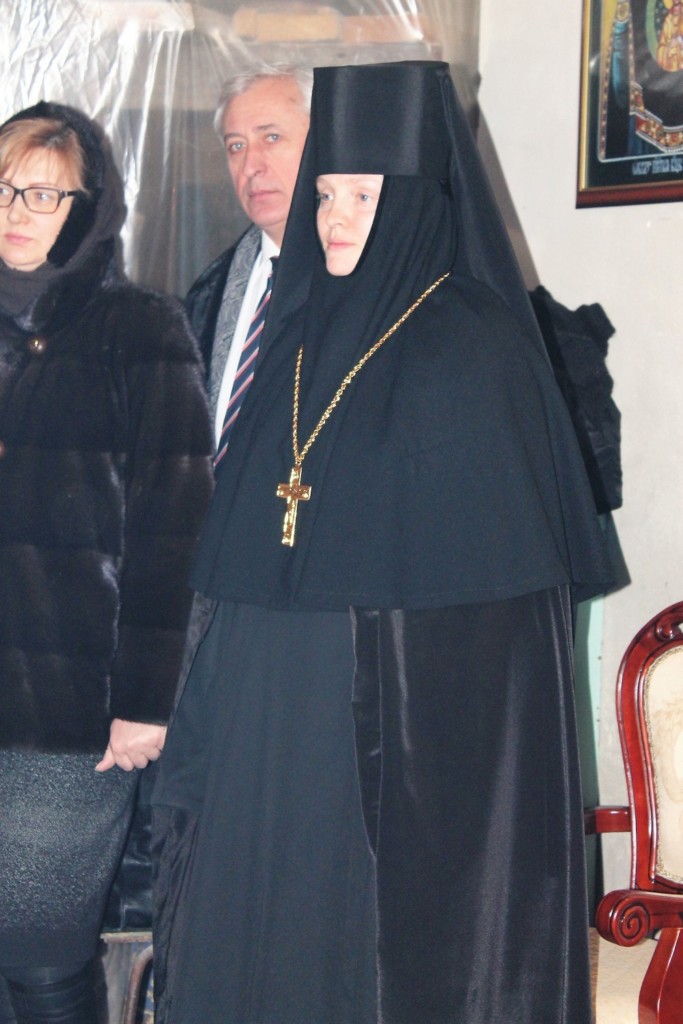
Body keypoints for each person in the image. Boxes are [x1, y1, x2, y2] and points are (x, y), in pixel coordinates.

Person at [152, 61, 614, 1024]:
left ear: (412, 201)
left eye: (360, 197)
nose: (333, 218)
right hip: (266, 735)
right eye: (326, 194)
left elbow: (498, 647)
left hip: (393, 748)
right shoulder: (294, 330)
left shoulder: (478, 348)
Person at [0, 102, 213, 1024]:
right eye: (5, 188)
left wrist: (146, 700)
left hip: (68, 711)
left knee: (38, 946)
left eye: (45, 194)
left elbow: (176, 528)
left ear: (88, 212)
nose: (18, 211)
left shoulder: (139, 328)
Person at [185, 63, 312, 449]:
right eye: (236, 146)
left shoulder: (368, 288)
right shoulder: (209, 293)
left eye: (271, 137)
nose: (251, 166)